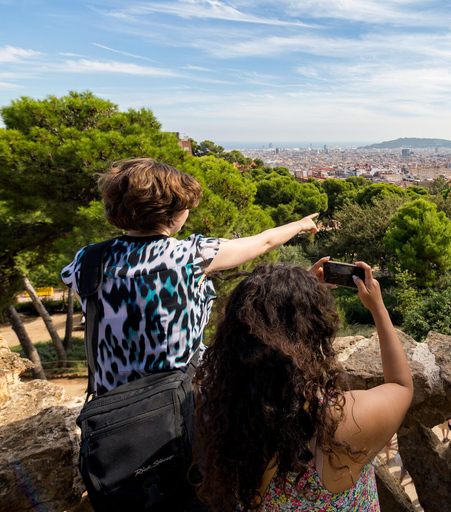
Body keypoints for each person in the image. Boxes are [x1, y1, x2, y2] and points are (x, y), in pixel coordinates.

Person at [61, 158, 321, 396]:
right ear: (173, 214)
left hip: (111, 399)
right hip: (177, 395)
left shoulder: (87, 260)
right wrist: (300, 224)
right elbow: (263, 242)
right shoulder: (192, 254)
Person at [194, 262, 413, 511]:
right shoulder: (339, 423)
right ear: (317, 331)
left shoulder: (229, 411)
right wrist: (378, 308)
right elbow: (401, 386)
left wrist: (287, 295)